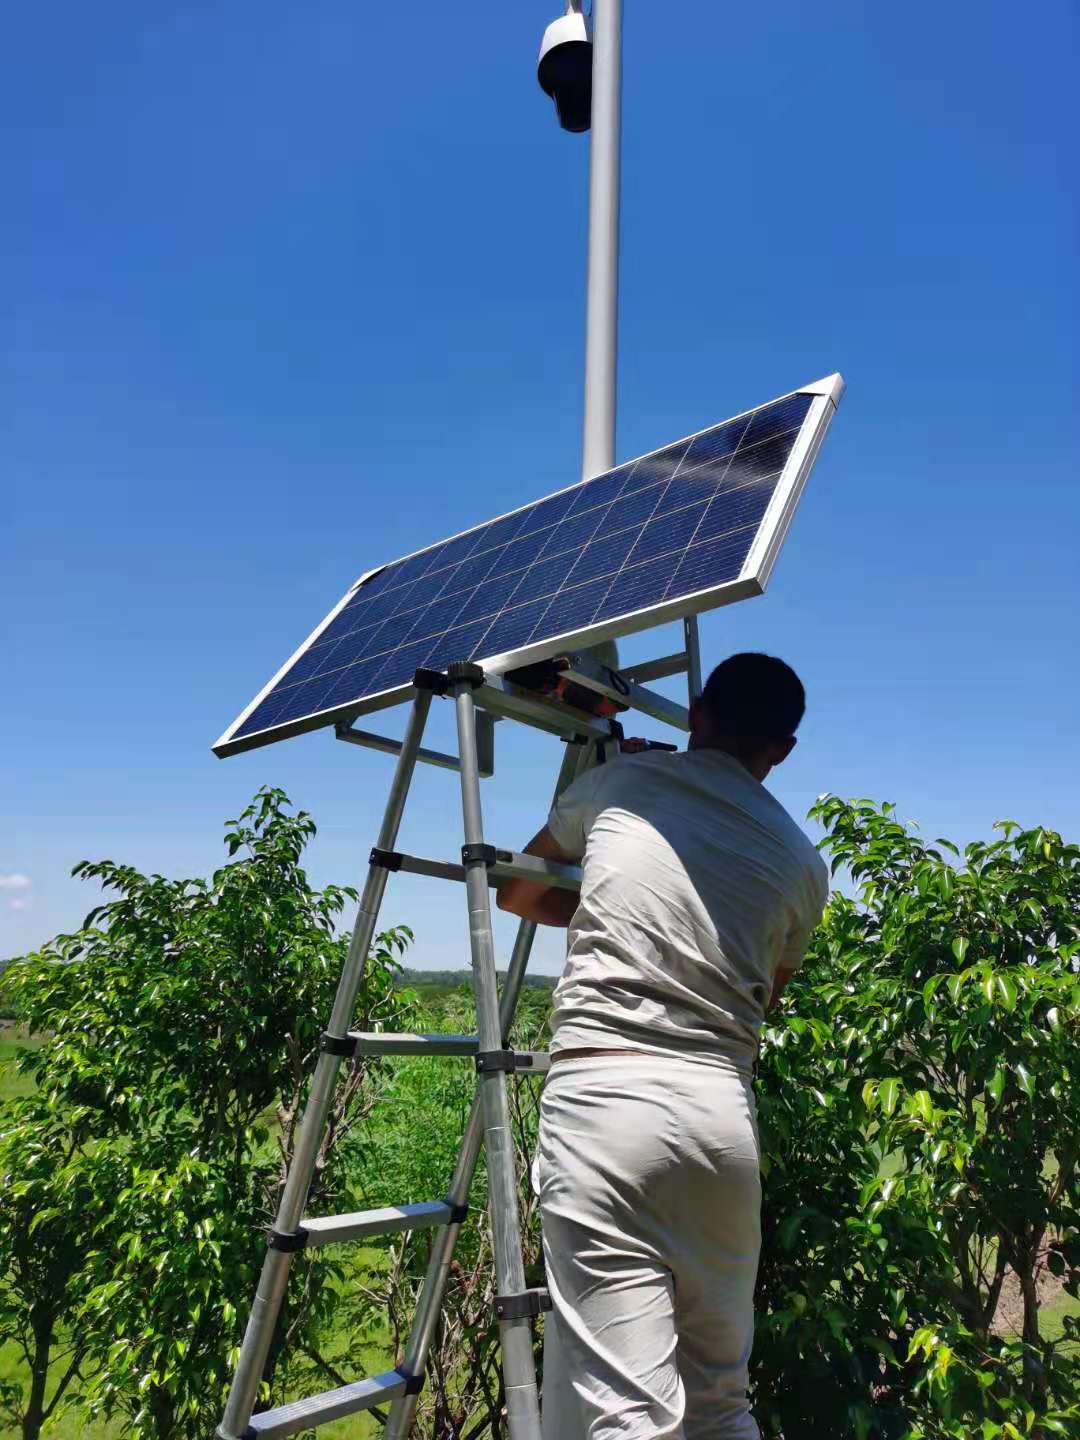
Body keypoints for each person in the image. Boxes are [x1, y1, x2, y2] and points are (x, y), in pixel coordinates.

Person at [496, 652, 828, 1440]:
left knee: (623, 1412)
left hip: (607, 1099)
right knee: (719, 1400)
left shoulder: (623, 787)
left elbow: (518, 889)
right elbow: (762, 1000)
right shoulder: (804, 864)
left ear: (696, 716)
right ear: (781, 750)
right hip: (721, 1117)